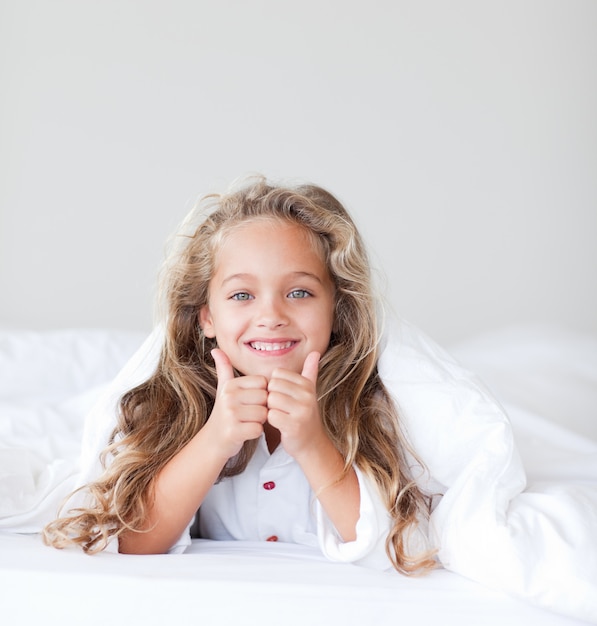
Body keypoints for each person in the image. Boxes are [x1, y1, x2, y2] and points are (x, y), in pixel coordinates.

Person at [43, 176, 436, 574]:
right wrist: (216, 437)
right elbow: (135, 541)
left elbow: (396, 545)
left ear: (336, 309)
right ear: (207, 316)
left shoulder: (375, 407)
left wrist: (313, 443)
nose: (270, 316)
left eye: (299, 292)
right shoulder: (176, 408)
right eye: (242, 296)